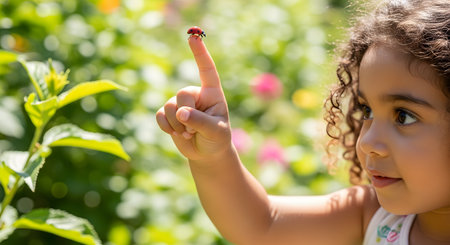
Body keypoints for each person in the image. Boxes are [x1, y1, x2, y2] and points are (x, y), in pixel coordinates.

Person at [156, 0, 450, 244]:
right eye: (366, 111)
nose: (368, 142)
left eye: (403, 116)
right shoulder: (374, 216)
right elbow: (262, 224)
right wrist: (213, 157)